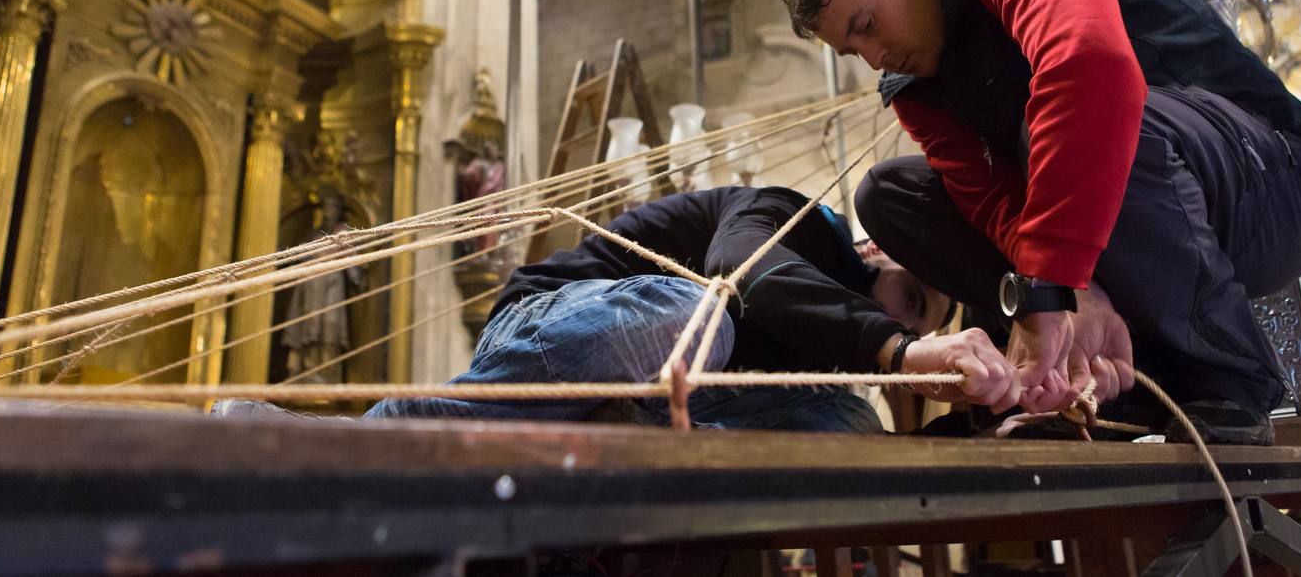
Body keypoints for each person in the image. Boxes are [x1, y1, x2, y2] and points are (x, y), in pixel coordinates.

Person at [782, 0, 1301, 444]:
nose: (876, 58)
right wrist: (1076, 293)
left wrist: (1048, 288)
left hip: (1270, 193)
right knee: (889, 193)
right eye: (855, 51)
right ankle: (1109, 381)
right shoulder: (916, 93)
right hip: (1129, 239)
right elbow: (994, 205)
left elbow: (1092, 69)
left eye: (868, 25)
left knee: (1082, 115)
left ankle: (1228, 379)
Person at [364, 185, 1020, 430]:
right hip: (553, 320)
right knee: (697, 325)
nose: (902, 320)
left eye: (918, 321)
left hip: (665, 403)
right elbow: (735, 270)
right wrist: (898, 350)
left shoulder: (831, 355)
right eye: (908, 297)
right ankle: (403, 429)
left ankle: (637, 443)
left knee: (850, 422)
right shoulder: (796, 217)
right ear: (875, 249)